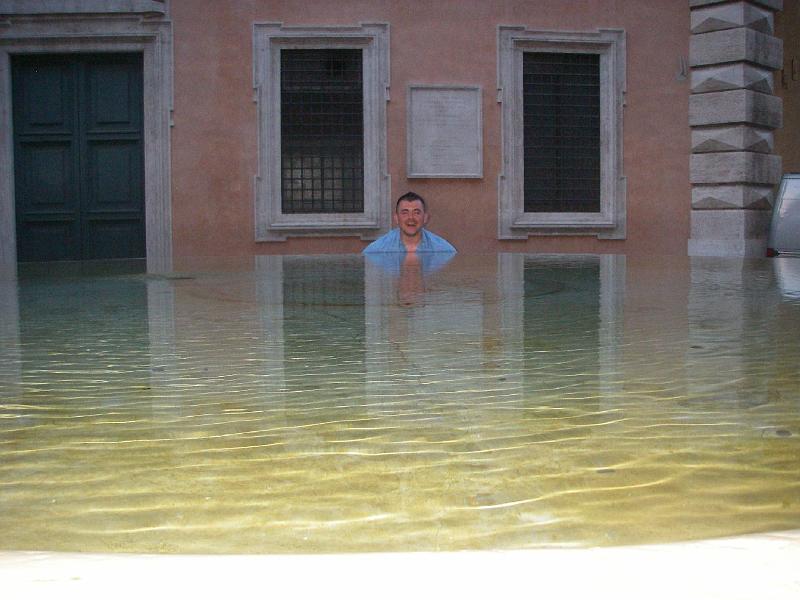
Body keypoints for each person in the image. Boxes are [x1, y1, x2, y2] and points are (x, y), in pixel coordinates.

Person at [362, 191, 456, 255]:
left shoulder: (444, 250)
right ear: (396, 218)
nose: (411, 218)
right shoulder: (376, 251)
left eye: (416, 212)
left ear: (425, 218)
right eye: (405, 213)